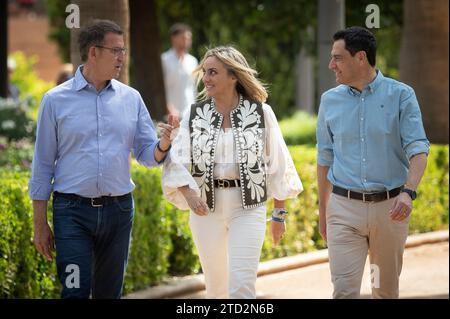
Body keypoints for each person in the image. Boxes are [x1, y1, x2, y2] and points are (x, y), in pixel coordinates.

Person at [29, 20, 178, 299]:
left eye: (123, 50)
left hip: (119, 212)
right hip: (71, 212)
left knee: (109, 295)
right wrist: (40, 223)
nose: (122, 57)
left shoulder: (131, 99)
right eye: (116, 50)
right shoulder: (54, 101)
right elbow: (43, 164)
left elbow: (147, 155)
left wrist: (164, 144)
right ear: (93, 52)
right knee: (74, 292)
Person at [162, 46, 303, 299]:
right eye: (205, 72)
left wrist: (279, 214)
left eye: (213, 72)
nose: (206, 78)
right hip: (204, 208)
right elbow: (176, 161)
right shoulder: (194, 115)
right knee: (216, 289)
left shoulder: (261, 113)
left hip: (248, 208)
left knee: (241, 288)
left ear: (233, 76)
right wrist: (189, 194)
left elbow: (278, 164)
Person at [316, 27, 429, 299]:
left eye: (338, 58)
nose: (331, 65)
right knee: (343, 292)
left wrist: (408, 192)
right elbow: (324, 160)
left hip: (389, 211)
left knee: (383, 292)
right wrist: (324, 213)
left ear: (361, 58)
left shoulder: (401, 95)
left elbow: (418, 150)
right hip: (343, 210)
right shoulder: (329, 101)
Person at [161, 23, 198, 119]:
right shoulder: (164, 60)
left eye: (189, 38)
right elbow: (160, 88)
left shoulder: (193, 61)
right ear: (173, 38)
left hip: (190, 112)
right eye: (183, 38)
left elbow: (193, 88)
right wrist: (168, 108)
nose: (187, 41)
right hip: (170, 114)